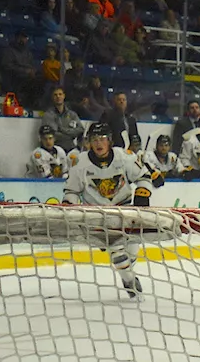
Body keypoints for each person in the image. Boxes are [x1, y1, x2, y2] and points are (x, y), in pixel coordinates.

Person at [62, 121, 152, 296]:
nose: (98, 143)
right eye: (94, 139)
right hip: (98, 217)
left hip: (126, 213)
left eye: (102, 138)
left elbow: (143, 176)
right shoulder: (80, 163)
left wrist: (142, 192)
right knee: (117, 254)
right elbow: (72, 191)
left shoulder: (124, 157)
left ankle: (128, 275)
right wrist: (69, 205)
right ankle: (129, 281)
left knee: (132, 251)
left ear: (109, 141)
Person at [43, 87, 84, 152]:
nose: (58, 96)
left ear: (64, 96)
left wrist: (62, 129)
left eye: (60, 94)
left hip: (72, 149)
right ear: (52, 97)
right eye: (55, 95)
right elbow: (53, 134)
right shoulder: (48, 115)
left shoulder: (72, 114)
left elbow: (81, 130)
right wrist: (71, 135)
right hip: (55, 150)